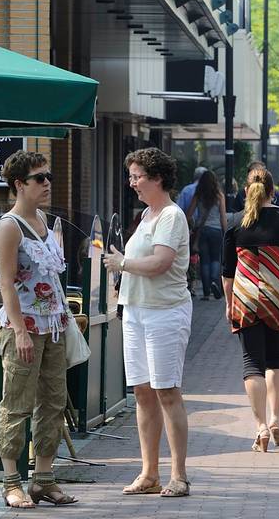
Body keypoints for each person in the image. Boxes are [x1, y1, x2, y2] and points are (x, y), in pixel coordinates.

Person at [102, 148, 193, 498]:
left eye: (137, 176)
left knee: (166, 391)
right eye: (131, 176)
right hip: (137, 311)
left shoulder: (171, 216)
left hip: (164, 312)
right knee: (141, 392)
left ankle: (179, 475)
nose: (132, 182)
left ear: (157, 178)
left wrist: (121, 263)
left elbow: (160, 263)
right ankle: (149, 472)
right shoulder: (146, 215)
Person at [0, 151, 76, 508]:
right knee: (17, 402)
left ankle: (43, 478)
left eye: (48, 177)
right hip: (23, 325)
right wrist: (21, 331)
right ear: (18, 185)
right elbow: (6, 283)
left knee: (53, 401)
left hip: (54, 325)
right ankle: (12, 481)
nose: (47, 184)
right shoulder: (9, 226)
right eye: (39, 178)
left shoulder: (43, 219)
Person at [222, 165, 279, 451]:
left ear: (247, 190)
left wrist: (229, 304)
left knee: (252, 363)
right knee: (276, 359)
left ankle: (259, 426)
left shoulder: (235, 221)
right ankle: (276, 421)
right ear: (272, 191)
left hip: (245, 298)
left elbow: (227, 271)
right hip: (278, 298)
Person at [185, 168, 227, 301]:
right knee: (215, 259)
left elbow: (189, 214)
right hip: (216, 231)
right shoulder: (219, 195)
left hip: (202, 231)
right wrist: (226, 232)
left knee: (205, 261)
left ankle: (206, 293)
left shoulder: (198, 195)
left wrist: (187, 226)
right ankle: (215, 281)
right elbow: (223, 216)